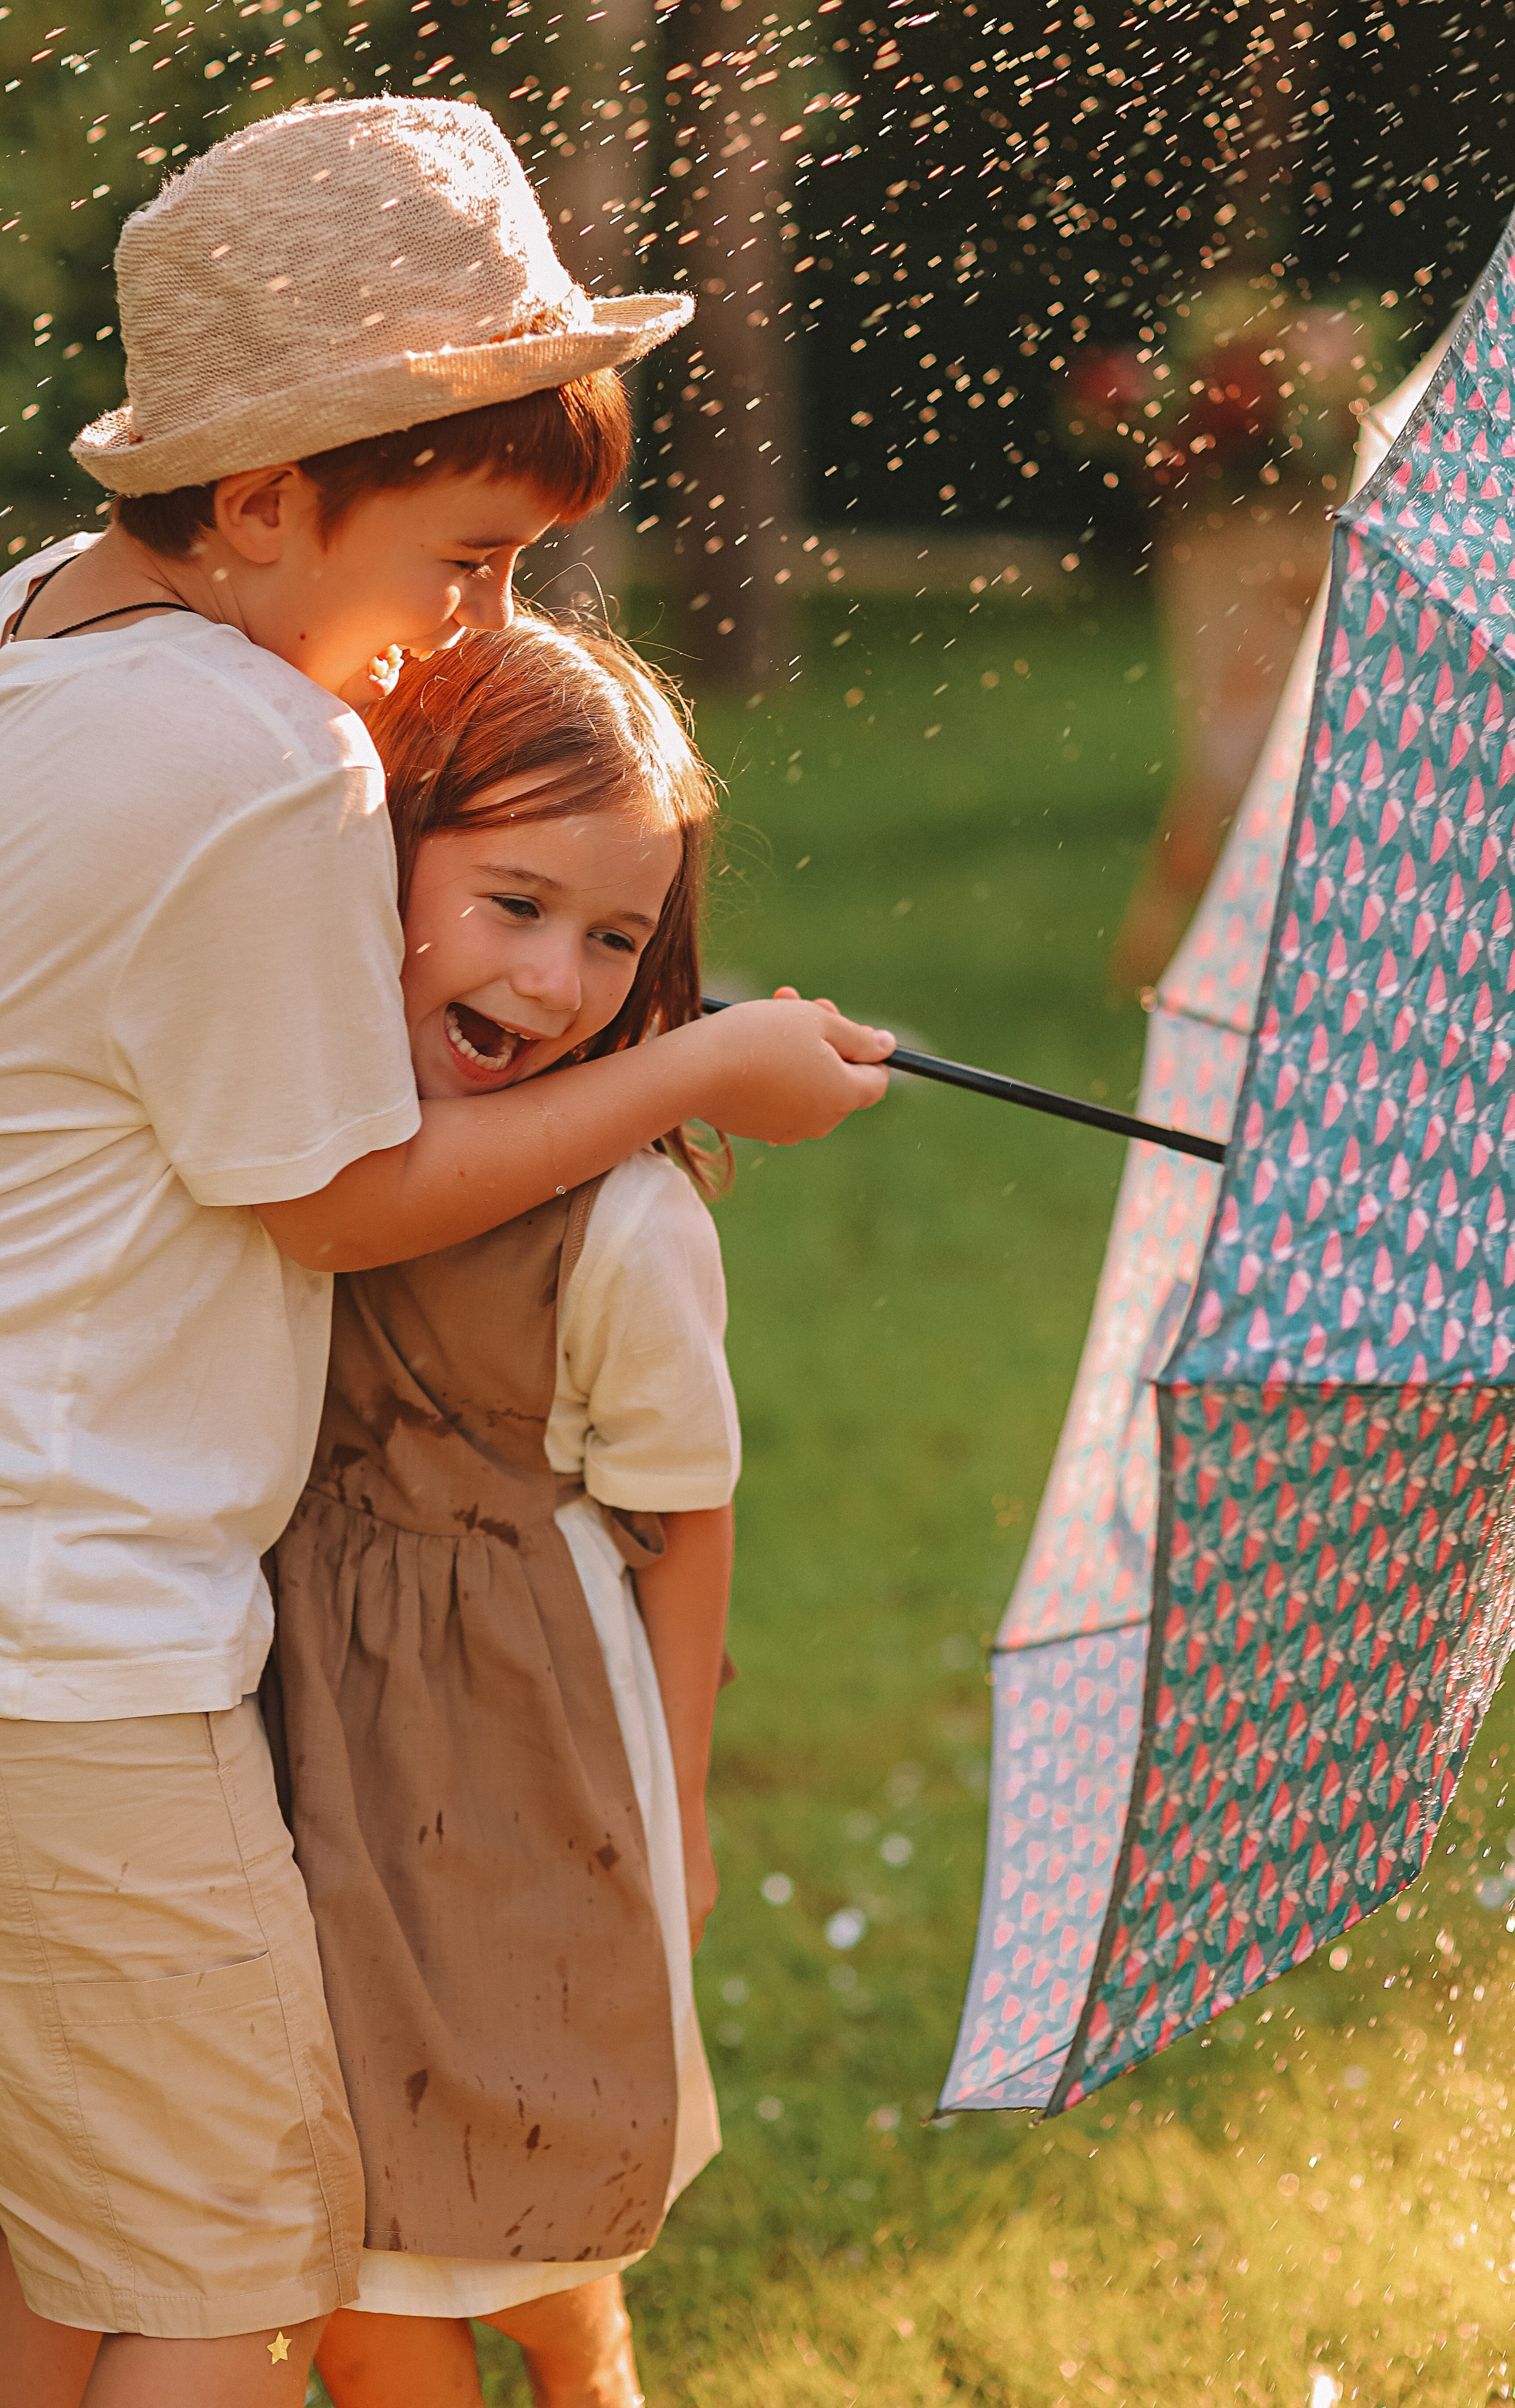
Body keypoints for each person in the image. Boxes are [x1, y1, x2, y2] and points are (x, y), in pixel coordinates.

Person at [0, 95, 889, 2408]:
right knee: (227, 2256)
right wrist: (701, 1072)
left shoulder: (42, 637)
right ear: (271, 501)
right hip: (78, 1636)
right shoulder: (261, 755)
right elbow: (339, 1197)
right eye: (469, 562)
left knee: (61, 2234)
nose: (479, 631)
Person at [270, 612, 741, 2408]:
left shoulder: (620, 1228)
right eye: (514, 904)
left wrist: (680, 1807)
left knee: (545, 2232)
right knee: (373, 2269)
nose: (556, 985)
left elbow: (683, 1519)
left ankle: (590, 2362)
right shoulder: (281, 1129)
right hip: (305, 1731)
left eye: (616, 938)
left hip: (530, 1749)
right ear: (382, 857)